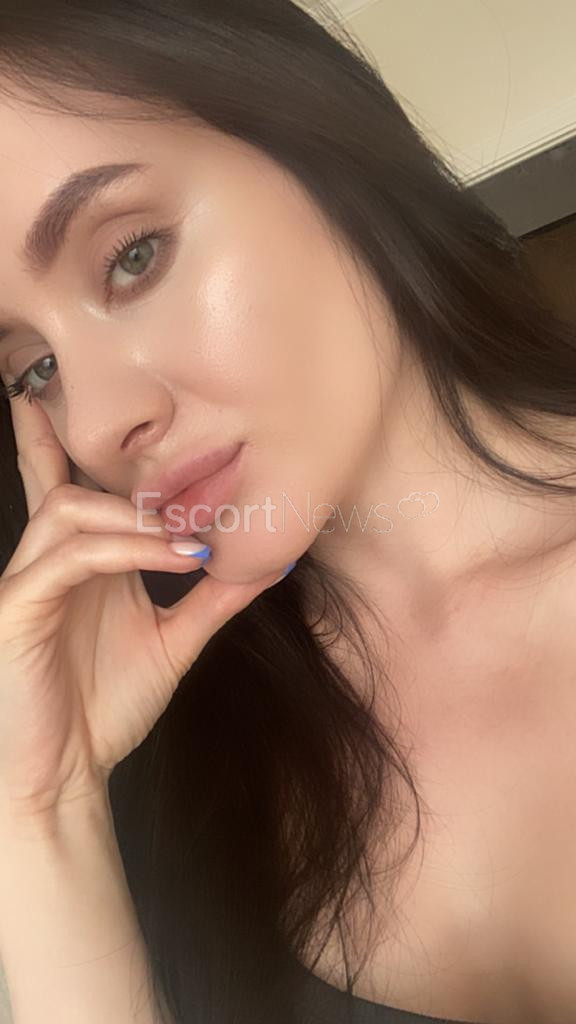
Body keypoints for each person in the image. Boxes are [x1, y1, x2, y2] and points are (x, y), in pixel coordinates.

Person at [0, 1, 575, 1022]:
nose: (94, 423)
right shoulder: (157, 754)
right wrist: (41, 811)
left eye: (132, 255)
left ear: (319, 141)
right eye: (35, 367)